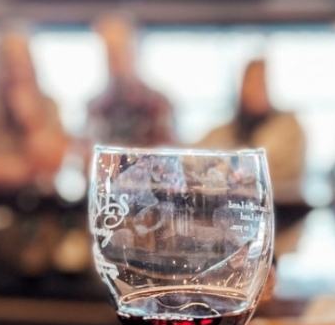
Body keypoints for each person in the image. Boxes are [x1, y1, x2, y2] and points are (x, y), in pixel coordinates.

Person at [0, 26, 67, 194]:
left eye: (21, 61)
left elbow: (54, 164)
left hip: (40, 202)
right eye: (8, 62)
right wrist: (29, 170)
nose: (15, 71)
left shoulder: (48, 105)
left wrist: (31, 120)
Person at [196, 59, 305, 206]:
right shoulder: (222, 132)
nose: (254, 89)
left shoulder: (289, 130)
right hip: (230, 211)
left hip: (281, 214)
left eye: (260, 82)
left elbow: (266, 170)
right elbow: (195, 162)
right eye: (249, 81)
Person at [87, 13, 175, 148]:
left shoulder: (157, 105)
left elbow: (168, 155)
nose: (114, 58)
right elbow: (89, 155)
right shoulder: (96, 108)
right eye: (109, 50)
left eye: (119, 49)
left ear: (134, 50)